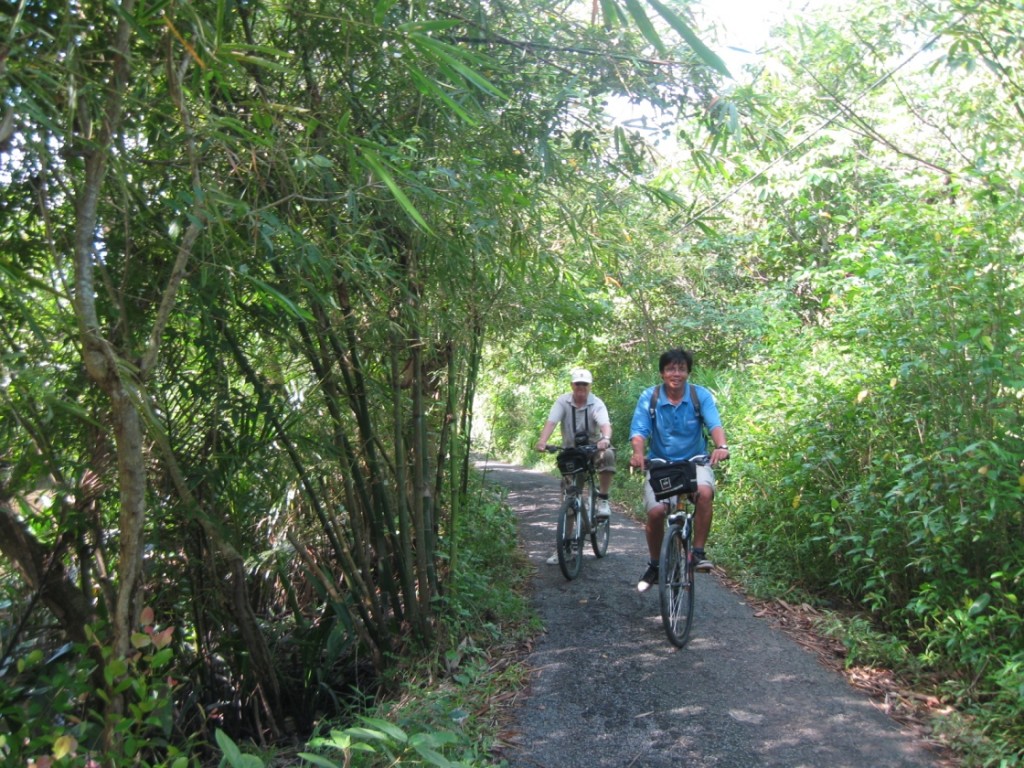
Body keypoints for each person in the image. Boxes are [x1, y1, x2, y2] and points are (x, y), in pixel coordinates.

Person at [628, 348, 729, 592]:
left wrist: (721, 446)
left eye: (681, 369)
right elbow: (640, 432)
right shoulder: (649, 397)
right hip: (661, 464)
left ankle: (697, 552)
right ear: (662, 373)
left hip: (695, 462)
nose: (676, 373)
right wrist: (638, 452)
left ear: (688, 372)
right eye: (671, 368)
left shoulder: (699, 395)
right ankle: (655, 564)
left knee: (704, 494)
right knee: (655, 512)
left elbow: (714, 423)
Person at [536, 368, 616, 564]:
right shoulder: (563, 401)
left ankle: (603, 499)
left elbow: (605, 424)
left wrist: (605, 438)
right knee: (569, 498)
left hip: (592, 449)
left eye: (585, 385)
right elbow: (551, 421)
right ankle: (565, 547)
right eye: (577, 384)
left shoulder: (596, 403)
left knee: (608, 455)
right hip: (571, 452)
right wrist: (542, 441)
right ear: (572, 386)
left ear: (589, 387)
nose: (581, 388)